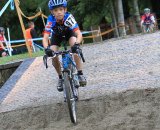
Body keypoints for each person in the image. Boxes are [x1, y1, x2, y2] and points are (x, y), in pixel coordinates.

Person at [43, 0, 87, 92]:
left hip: (69, 33)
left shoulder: (68, 17)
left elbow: (79, 34)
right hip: (57, 36)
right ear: (52, 12)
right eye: (55, 10)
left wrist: (77, 44)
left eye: (61, 9)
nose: (58, 12)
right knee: (53, 53)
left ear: (65, 10)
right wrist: (46, 48)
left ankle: (80, 73)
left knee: (75, 48)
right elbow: (45, 37)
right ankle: (60, 77)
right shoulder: (50, 19)